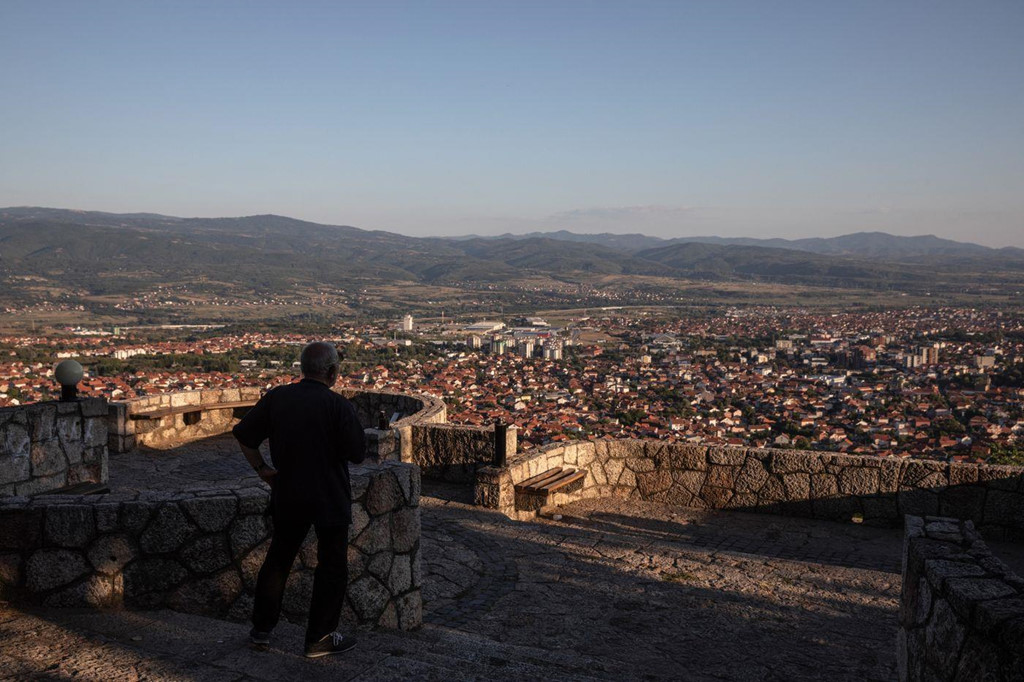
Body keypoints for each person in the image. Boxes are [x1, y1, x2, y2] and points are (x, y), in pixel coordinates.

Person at [232, 341, 366, 658]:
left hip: (288, 493)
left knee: (278, 560)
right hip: (329, 497)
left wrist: (263, 469)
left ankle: (262, 630)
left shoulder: (278, 397)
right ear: (332, 372)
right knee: (332, 567)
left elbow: (244, 436)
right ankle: (319, 637)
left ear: (303, 369)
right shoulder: (338, 406)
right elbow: (358, 454)